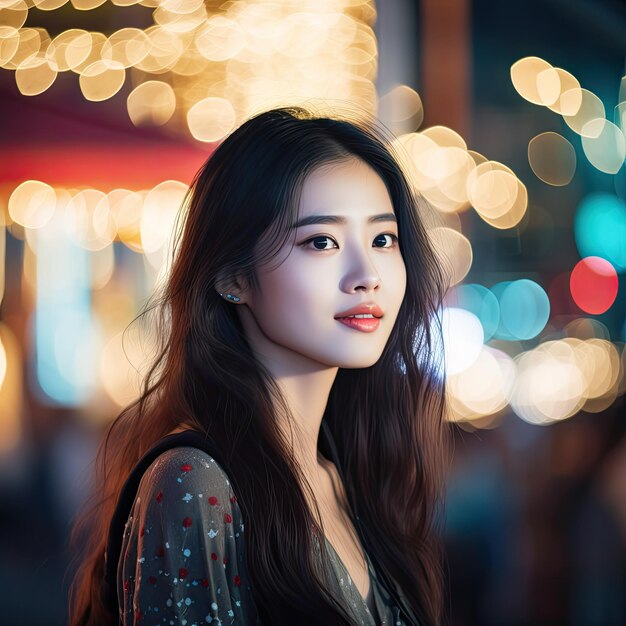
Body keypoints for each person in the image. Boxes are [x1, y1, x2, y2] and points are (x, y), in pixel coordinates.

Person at [67, 106, 451, 626]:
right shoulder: (195, 483)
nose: (367, 276)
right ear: (233, 277)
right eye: (322, 242)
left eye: (383, 239)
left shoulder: (350, 478)